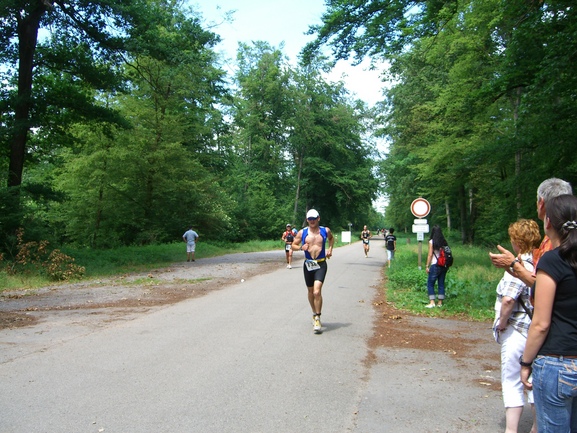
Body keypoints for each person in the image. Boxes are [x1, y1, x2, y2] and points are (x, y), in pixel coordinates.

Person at [520, 194, 577, 432]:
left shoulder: (552, 261)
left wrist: (525, 362)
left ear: (549, 222)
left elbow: (541, 323)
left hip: (557, 361)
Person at [493, 219, 541, 433]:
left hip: (516, 331)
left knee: (512, 380)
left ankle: (511, 430)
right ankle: (537, 427)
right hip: (536, 333)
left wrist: (501, 323)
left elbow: (508, 300)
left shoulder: (518, 267)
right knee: (532, 381)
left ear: (517, 242)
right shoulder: (540, 264)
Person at [490, 178, 573, 289]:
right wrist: (520, 270)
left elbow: (544, 287)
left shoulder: (554, 242)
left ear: (541, 203)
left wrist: (514, 265)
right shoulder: (569, 235)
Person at [291, 209, 334, 334]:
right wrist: (301, 247)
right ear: (307, 220)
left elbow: (331, 239)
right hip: (308, 264)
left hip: (321, 263)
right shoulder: (302, 232)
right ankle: (314, 313)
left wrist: (330, 249)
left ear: (318, 218)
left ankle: (318, 318)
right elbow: (293, 245)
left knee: (316, 291)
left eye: (314, 218)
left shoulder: (325, 230)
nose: (312, 221)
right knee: (310, 292)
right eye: (309, 219)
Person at [424, 225, 448, 308]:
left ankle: (432, 302)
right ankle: (440, 303)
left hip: (435, 265)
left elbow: (430, 255)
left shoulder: (432, 241)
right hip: (444, 265)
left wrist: (427, 265)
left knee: (430, 283)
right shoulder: (444, 241)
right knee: (441, 283)